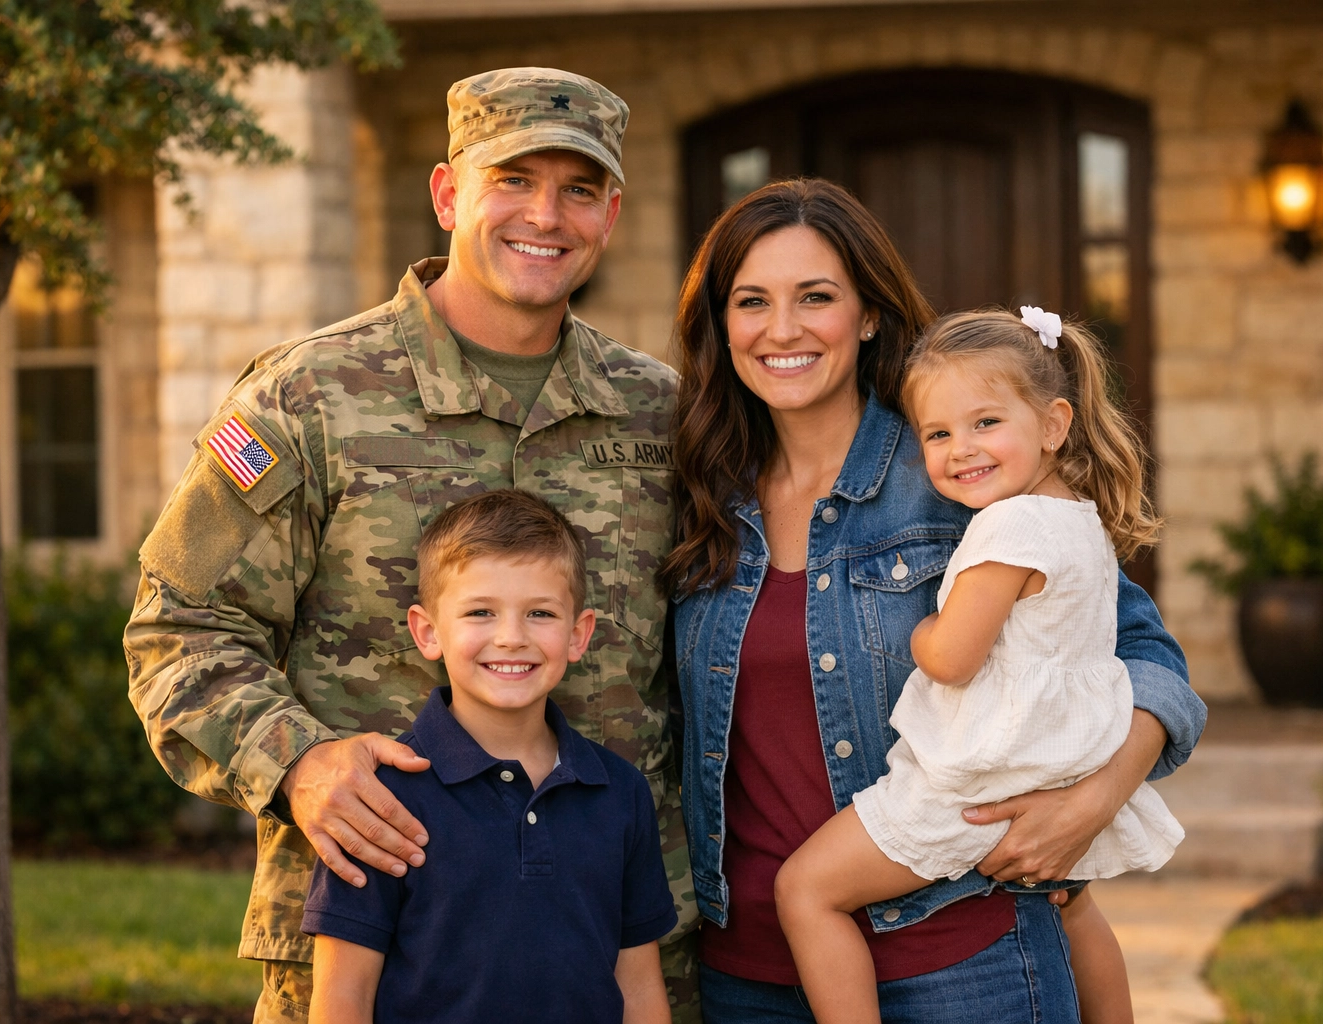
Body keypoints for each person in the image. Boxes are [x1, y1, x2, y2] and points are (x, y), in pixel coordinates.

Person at [124, 67, 700, 1023]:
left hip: (616, 958)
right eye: (512, 179)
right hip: (374, 957)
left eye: (579, 188)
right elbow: (177, 630)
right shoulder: (307, 399)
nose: (545, 215)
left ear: (611, 215)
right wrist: (300, 762)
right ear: (448, 194)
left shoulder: (661, 414)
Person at [665, 179, 1207, 1024]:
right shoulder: (700, 491)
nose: (783, 329)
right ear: (721, 323)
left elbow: (1150, 662)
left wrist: (1092, 805)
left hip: (963, 955)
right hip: (749, 973)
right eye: (752, 301)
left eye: (817, 298)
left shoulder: (959, 473)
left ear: (870, 313)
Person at [774, 307, 1186, 1024]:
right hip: (1058, 760)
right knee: (1074, 907)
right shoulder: (1077, 516)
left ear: (1054, 425)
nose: (961, 449)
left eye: (984, 423)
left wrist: (925, 626)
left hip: (985, 778)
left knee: (806, 890)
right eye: (937, 434)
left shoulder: (1009, 527)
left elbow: (953, 658)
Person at [304, 490, 677, 1024]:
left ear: (579, 634)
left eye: (540, 613)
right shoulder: (379, 797)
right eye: (480, 611)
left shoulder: (620, 791)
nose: (511, 638)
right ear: (428, 632)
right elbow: (343, 997)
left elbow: (639, 990)